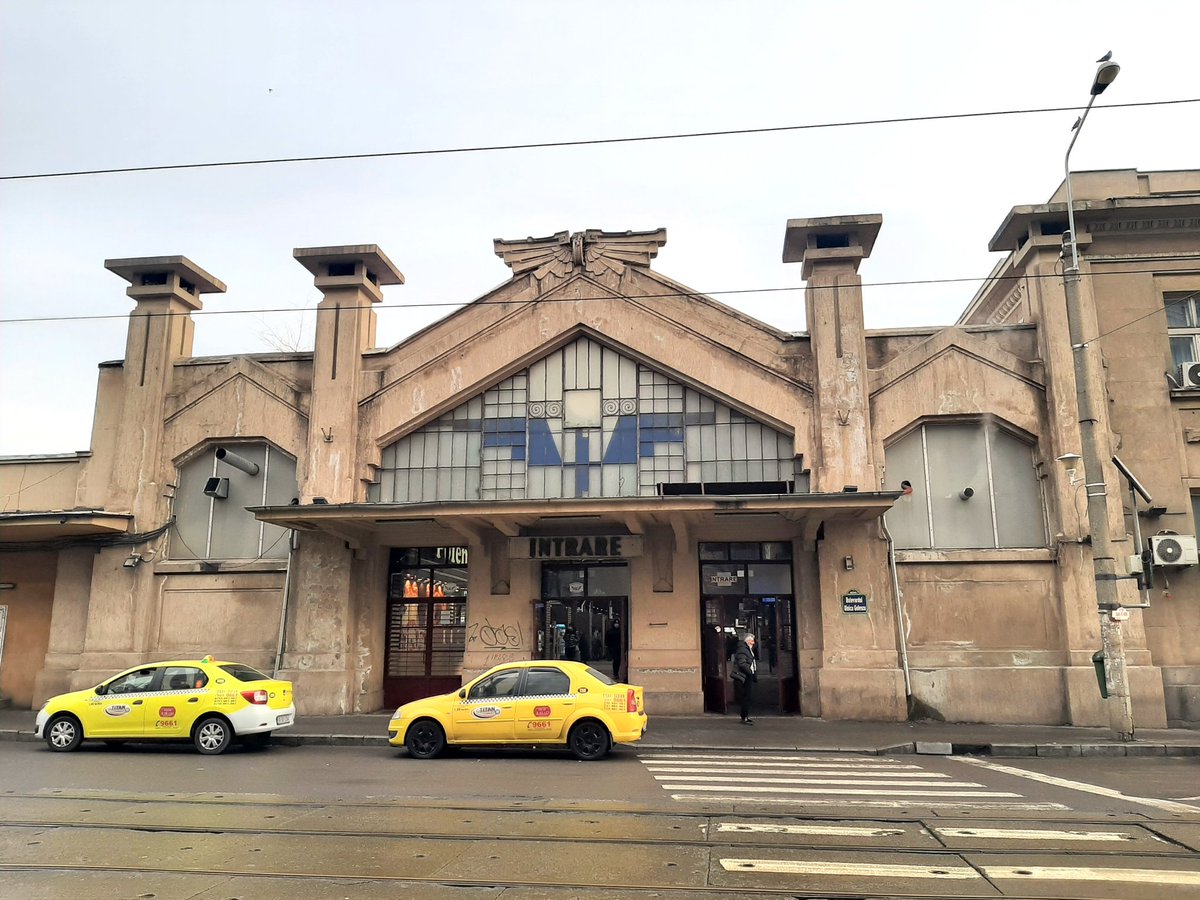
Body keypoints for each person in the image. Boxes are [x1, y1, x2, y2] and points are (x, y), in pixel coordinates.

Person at [732, 633, 758, 724]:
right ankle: (744, 717)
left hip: (745, 676)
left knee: (746, 697)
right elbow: (742, 663)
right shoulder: (743, 650)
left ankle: (745, 716)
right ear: (747, 641)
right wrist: (750, 671)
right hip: (743, 676)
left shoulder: (747, 649)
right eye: (751, 641)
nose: (753, 643)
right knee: (745, 697)